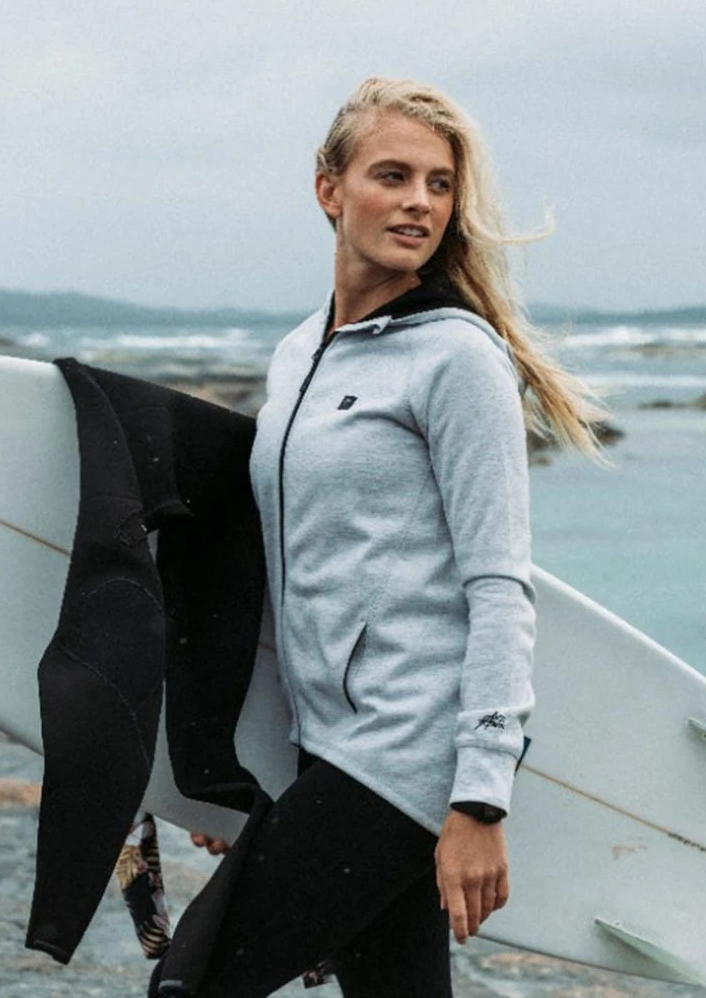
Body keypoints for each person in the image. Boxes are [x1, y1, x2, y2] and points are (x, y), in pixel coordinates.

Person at [155, 77, 599, 998]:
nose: (419, 203)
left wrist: (480, 798)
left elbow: (498, 586)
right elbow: (287, 574)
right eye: (392, 176)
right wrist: (246, 759)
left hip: (406, 761)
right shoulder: (296, 355)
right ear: (330, 189)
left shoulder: (457, 358)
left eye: (439, 184)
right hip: (326, 750)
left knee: (191, 982)